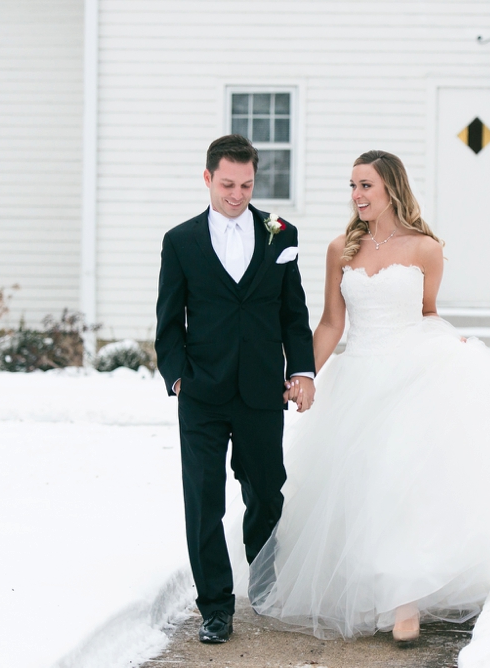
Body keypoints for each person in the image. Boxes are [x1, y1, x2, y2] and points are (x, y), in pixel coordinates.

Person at [243, 150, 490, 642]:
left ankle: (405, 602)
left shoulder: (425, 248)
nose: (357, 195)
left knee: (401, 482)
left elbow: (427, 313)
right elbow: (331, 323)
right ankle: (366, 586)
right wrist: (301, 374)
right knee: (360, 486)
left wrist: (449, 341)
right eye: (353, 186)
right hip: (358, 376)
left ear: (391, 188)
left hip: (413, 374)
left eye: (366, 186)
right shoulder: (340, 249)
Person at [155, 134, 316, 644]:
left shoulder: (281, 233)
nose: (237, 194)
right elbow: (168, 321)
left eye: (246, 185)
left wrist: (303, 371)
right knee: (204, 502)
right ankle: (215, 608)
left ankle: (263, 582)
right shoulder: (180, 241)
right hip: (202, 393)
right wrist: (178, 378)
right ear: (208, 178)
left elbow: (293, 314)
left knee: (267, 493)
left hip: (261, 391)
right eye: (227, 184)